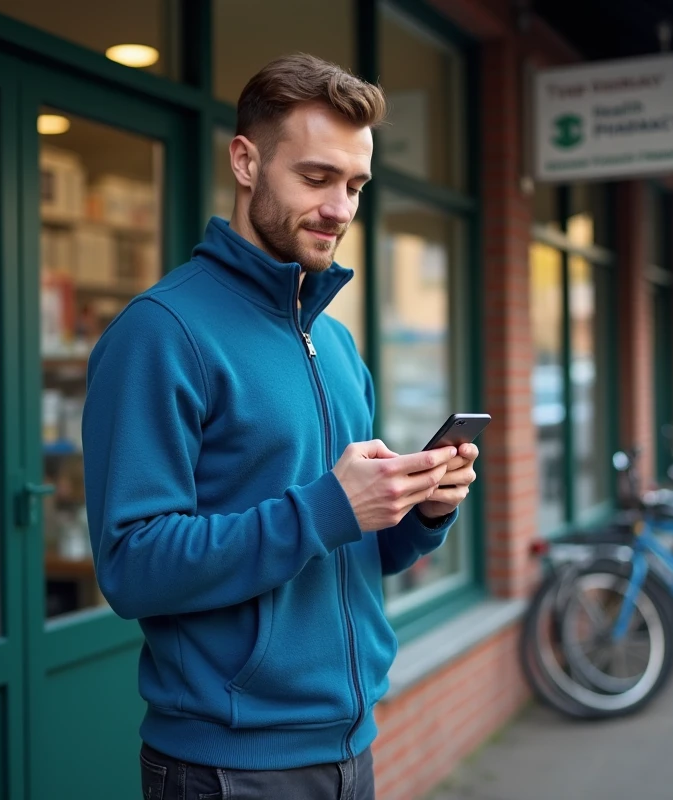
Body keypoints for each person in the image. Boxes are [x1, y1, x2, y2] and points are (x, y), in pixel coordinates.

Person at [82, 53, 480, 800]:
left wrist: (422, 511)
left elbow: (354, 553)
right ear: (245, 161)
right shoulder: (161, 333)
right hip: (227, 765)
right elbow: (132, 566)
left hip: (350, 746)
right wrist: (329, 506)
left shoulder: (334, 341)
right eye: (317, 178)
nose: (341, 209)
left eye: (356, 185)